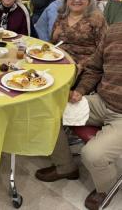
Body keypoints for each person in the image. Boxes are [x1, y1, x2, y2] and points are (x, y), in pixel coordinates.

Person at [35, 22, 122, 210]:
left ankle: (105, 188)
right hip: (102, 101)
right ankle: (66, 167)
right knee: (47, 112)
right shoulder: (115, 30)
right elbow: (95, 68)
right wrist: (81, 90)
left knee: (92, 155)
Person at [51, 0, 107, 69]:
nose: (77, 0)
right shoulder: (62, 16)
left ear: (89, 0)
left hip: (84, 67)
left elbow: (103, 50)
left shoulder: (97, 19)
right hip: (58, 59)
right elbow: (53, 42)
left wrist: (82, 65)